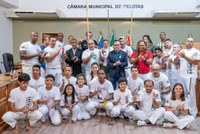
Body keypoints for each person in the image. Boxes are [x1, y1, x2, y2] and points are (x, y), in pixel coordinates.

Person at [174, 37, 200, 117]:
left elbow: (195, 62)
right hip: (182, 75)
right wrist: (177, 57)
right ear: (185, 42)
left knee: (191, 94)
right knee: (182, 94)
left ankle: (193, 112)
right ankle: (183, 111)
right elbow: (176, 62)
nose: (189, 42)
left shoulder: (196, 51)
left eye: (191, 41)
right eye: (188, 41)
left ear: (193, 43)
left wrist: (184, 57)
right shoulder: (182, 51)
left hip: (191, 75)